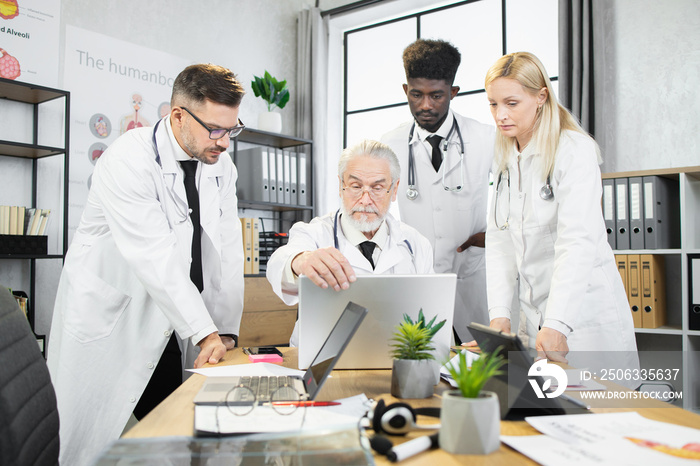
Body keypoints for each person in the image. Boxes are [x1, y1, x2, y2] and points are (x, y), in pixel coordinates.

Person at [47, 64, 246, 466]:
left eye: (232, 129)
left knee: (175, 423)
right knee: (84, 436)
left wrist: (223, 329)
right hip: (112, 311)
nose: (224, 143)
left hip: (175, 311)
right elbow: (155, 258)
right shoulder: (128, 159)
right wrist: (204, 332)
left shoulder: (221, 166)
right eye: (215, 130)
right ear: (177, 116)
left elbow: (226, 249)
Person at [482, 51, 638, 375]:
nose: (500, 115)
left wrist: (557, 323)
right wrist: (499, 315)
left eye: (512, 103)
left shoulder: (573, 150)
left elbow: (578, 241)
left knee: (601, 415)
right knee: (546, 416)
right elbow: (499, 240)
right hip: (536, 316)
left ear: (541, 97)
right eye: (493, 104)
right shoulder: (505, 156)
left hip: (583, 316)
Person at [266, 140, 434, 345]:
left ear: (394, 189)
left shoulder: (415, 244)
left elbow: (430, 313)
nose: (365, 200)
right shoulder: (316, 233)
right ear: (341, 186)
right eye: (355, 186)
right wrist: (300, 260)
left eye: (378, 188)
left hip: (395, 359)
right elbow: (279, 263)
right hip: (320, 361)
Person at [381, 39, 495, 342]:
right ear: (406, 90)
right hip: (418, 279)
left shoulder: (485, 138)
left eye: (437, 95)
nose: (426, 105)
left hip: (471, 278)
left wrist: (498, 234)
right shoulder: (389, 144)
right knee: (425, 370)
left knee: (486, 372)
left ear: (453, 93)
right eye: (416, 94)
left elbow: (522, 195)